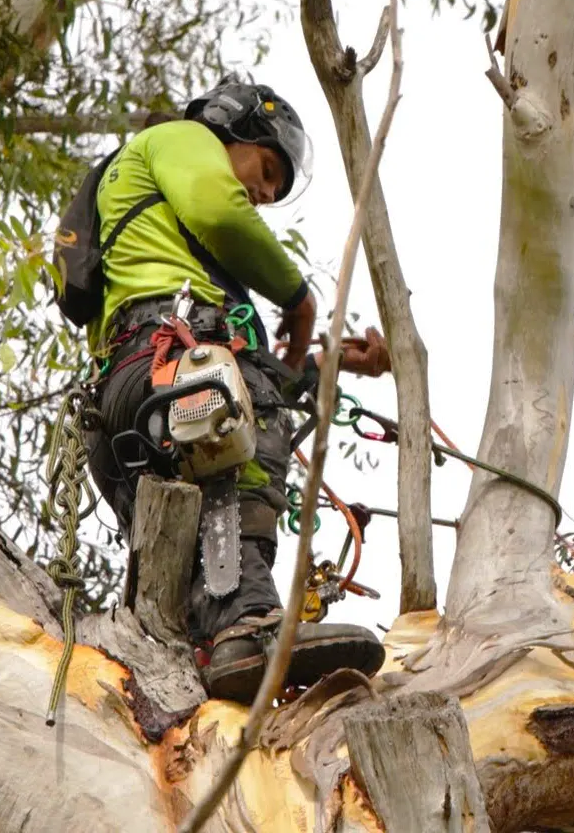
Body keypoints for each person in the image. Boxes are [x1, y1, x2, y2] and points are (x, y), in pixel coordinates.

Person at [85, 76, 391, 702]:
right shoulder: (180, 138)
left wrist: (329, 361)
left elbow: (262, 371)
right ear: (233, 127)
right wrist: (301, 303)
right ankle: (245, 621)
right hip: (176, 373)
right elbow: (217, 207)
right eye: (267, 166)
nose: (266, 191)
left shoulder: (172, 253)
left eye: (278, 186)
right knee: (247, 441)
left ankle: (206, 648)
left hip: (129, 399)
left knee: (241, 433)